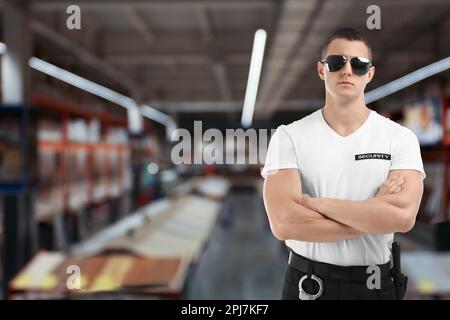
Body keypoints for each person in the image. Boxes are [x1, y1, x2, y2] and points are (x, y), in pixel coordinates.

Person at [261, 28, 426, 300]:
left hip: (376, 287)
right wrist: (374, 215)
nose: (347, 71)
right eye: (337, 62)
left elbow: (402, 217)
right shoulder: (288, 136)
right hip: (308, 288)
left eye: (359, 65)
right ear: (321, 69)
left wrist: (316, 204)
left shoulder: (399, 138)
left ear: (369, 74)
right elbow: (284, 223)